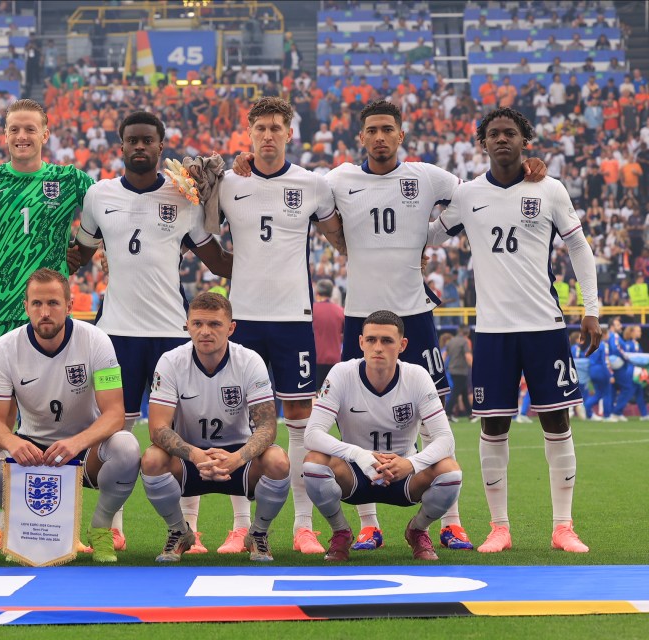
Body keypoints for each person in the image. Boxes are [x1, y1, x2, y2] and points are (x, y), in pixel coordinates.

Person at [234, 99, 546, 552]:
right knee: (354, 415)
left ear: (401, 135)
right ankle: (368, 523)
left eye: (388, 129)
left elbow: (478, 195)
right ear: (361, 137)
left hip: (414, 313)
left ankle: (450, 522)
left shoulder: (428, 177)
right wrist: (247, 161)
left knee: (429, 411)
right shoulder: (337, 179)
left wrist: (525, 169)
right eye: (372, 130)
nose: (379, 137)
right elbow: (285, 181)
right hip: (361, 313)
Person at [430, 107, 601, 554]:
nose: (501, 139)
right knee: (493, 427)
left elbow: (580, 250)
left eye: (509, 133)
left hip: (545, 325)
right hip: (491, 331)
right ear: (482, 143)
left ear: (525, 140)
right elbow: (429, 237)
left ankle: (563, 527)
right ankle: (499, 527)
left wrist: (592, 309)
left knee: (557, 422)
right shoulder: (467, 195)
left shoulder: (549, 188)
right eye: (493, 134)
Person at [68, 111, 231, 552]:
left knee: (181, 432)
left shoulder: (185, 196)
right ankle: (112, 526)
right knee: (113, 431)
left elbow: (213, 258)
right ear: (120, 146)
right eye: (132, 140)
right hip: (113, 337)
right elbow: (78, 253)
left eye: (148, 141)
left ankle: (188, 530)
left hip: (171, 336)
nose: (140, 147)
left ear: (162, 147)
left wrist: (263, 267)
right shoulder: (99, 196)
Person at [0, 99, 93, 551]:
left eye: (30, 129)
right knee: (0, 423)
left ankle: (68, 522)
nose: (22, 136)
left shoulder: (68, 179)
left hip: (51, 313)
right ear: (4, 133)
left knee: (62, 410)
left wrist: (82, 252)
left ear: (45, 132)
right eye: (14, 129)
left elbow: (112, 208)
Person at [214, 96, 338, 555]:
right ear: (249, 133)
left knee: (299, 422)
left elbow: (340, 236)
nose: (268, 135)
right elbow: (204, 233)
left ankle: (302, 526)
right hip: (241, 317)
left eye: (276, 128)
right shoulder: (227, 183)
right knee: (238, 422)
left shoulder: (313, 184)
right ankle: (239, 526)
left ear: (290, 133)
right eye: (260, 128)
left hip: (293, 317)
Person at [0, 268, 139, 562]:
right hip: (32, 449)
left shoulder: (96, 341)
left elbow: (115, 414)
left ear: (69, 305)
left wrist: (77, 443)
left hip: (85, 450)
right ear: (25, 307)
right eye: (37, 304)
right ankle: (31, 529)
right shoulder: (4, 348)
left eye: (53, 303)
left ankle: (101, 528)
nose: (45, 312)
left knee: (127, 448)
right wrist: (13, 443)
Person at [141, 292, 290, 562]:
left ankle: (257, 533)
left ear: (231, 328)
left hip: (239, 457)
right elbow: (158, 428)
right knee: (151, 459)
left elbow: (267, 427)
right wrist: (196, 455)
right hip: (190, 457)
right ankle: (180, 532)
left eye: (215, 325)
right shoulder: (171, 361)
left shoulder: (250, 361)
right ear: (187, 325)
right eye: (197, 324)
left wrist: (238, 458)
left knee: (278, 461)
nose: (205, 332)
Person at [303, 311, 462, 562]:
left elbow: (445, 439)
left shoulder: (417, 376)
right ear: (360, 343)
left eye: (387, 341)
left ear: (402, 345)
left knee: (450, 471)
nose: (378, 347)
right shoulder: (341, 373)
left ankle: (417, 530)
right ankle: (341, 532)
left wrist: (411, 463)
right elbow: (312, 435)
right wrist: (359, 454)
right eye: (371, 340)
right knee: (313, 462)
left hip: (404, 475)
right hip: (355, 474)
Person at [312, 279, 344, 385]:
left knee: (315, 396)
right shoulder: (340, 311)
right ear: (331, 293)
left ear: (317, 292)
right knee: (329, 395)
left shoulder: (312, 310)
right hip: (334, 360)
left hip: (315, 358)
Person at [444, 326, 473, 420]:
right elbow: (468, 356)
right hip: (461, 371)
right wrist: (475, 368)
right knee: (455, 393)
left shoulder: (451, 341)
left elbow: (444, 355)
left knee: (464, 393)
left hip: (452, 370)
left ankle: (470, 414)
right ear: (467, 333)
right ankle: (447, 413)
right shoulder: (464, 341)